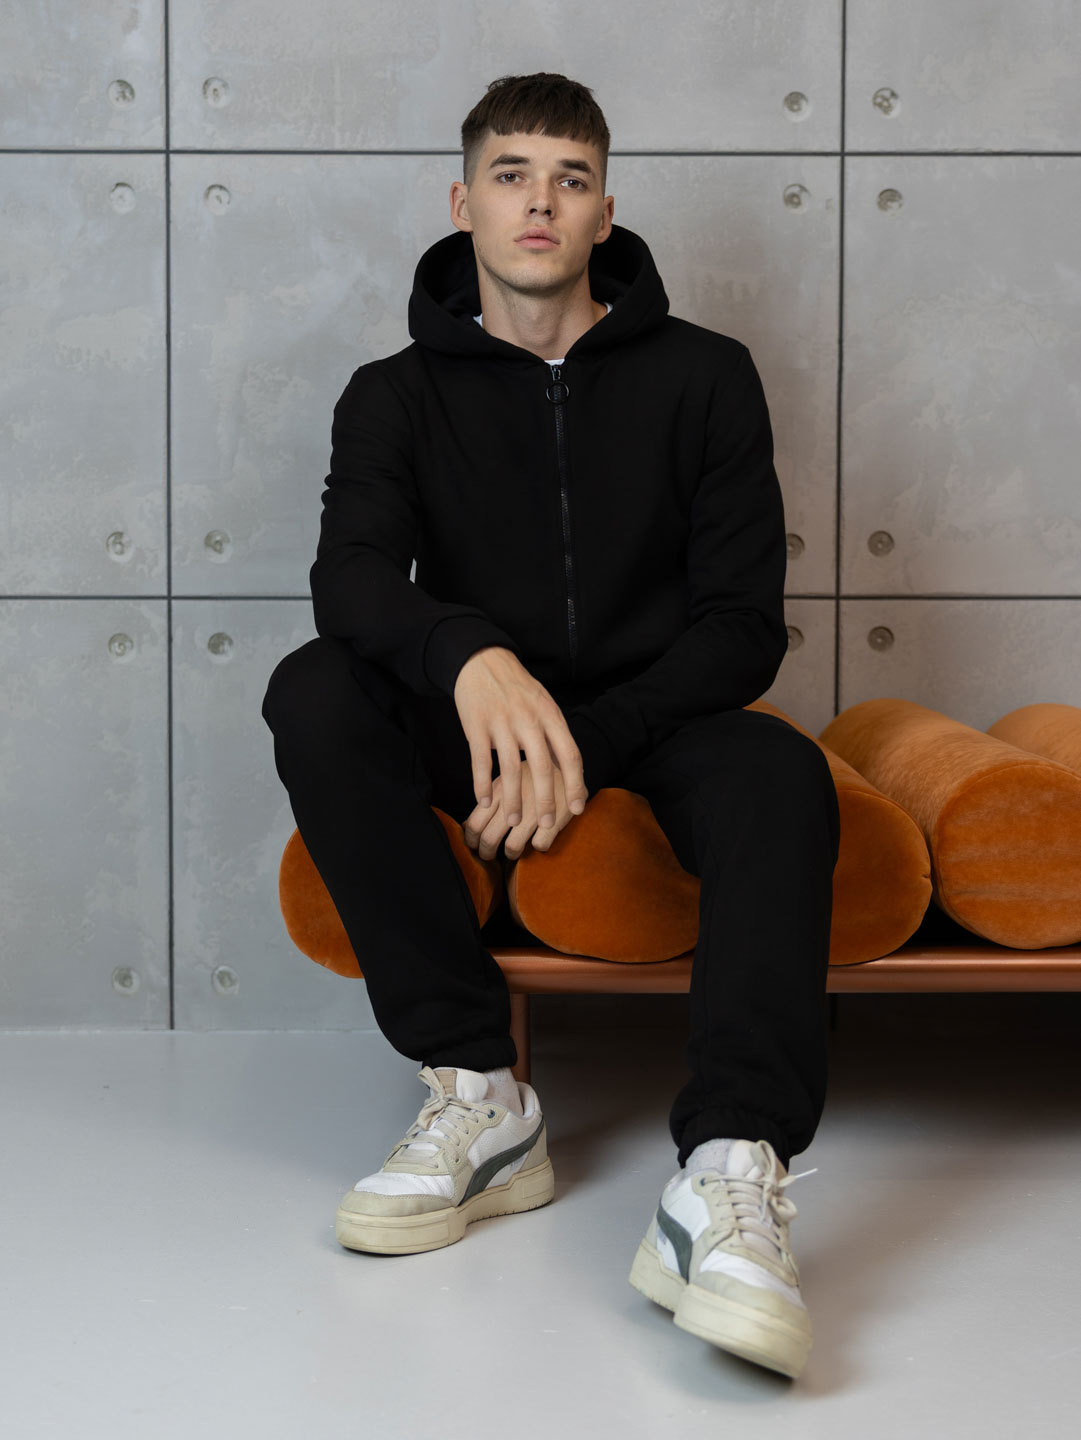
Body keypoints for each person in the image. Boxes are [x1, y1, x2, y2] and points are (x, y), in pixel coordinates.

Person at [261, 71, 841, 1380]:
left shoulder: (706, 378)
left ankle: (729, 1170)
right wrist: (469, 658)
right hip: (478, 720)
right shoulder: (393, 394)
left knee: (780, 774)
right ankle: (480, 1093)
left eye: (569, 179)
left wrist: (584, 740)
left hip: (657, 715)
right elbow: (351, 581)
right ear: (463, 203)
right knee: (314, 687)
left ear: (603, 213)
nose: (540, 202)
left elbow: (741, 625)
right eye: (512, 175)